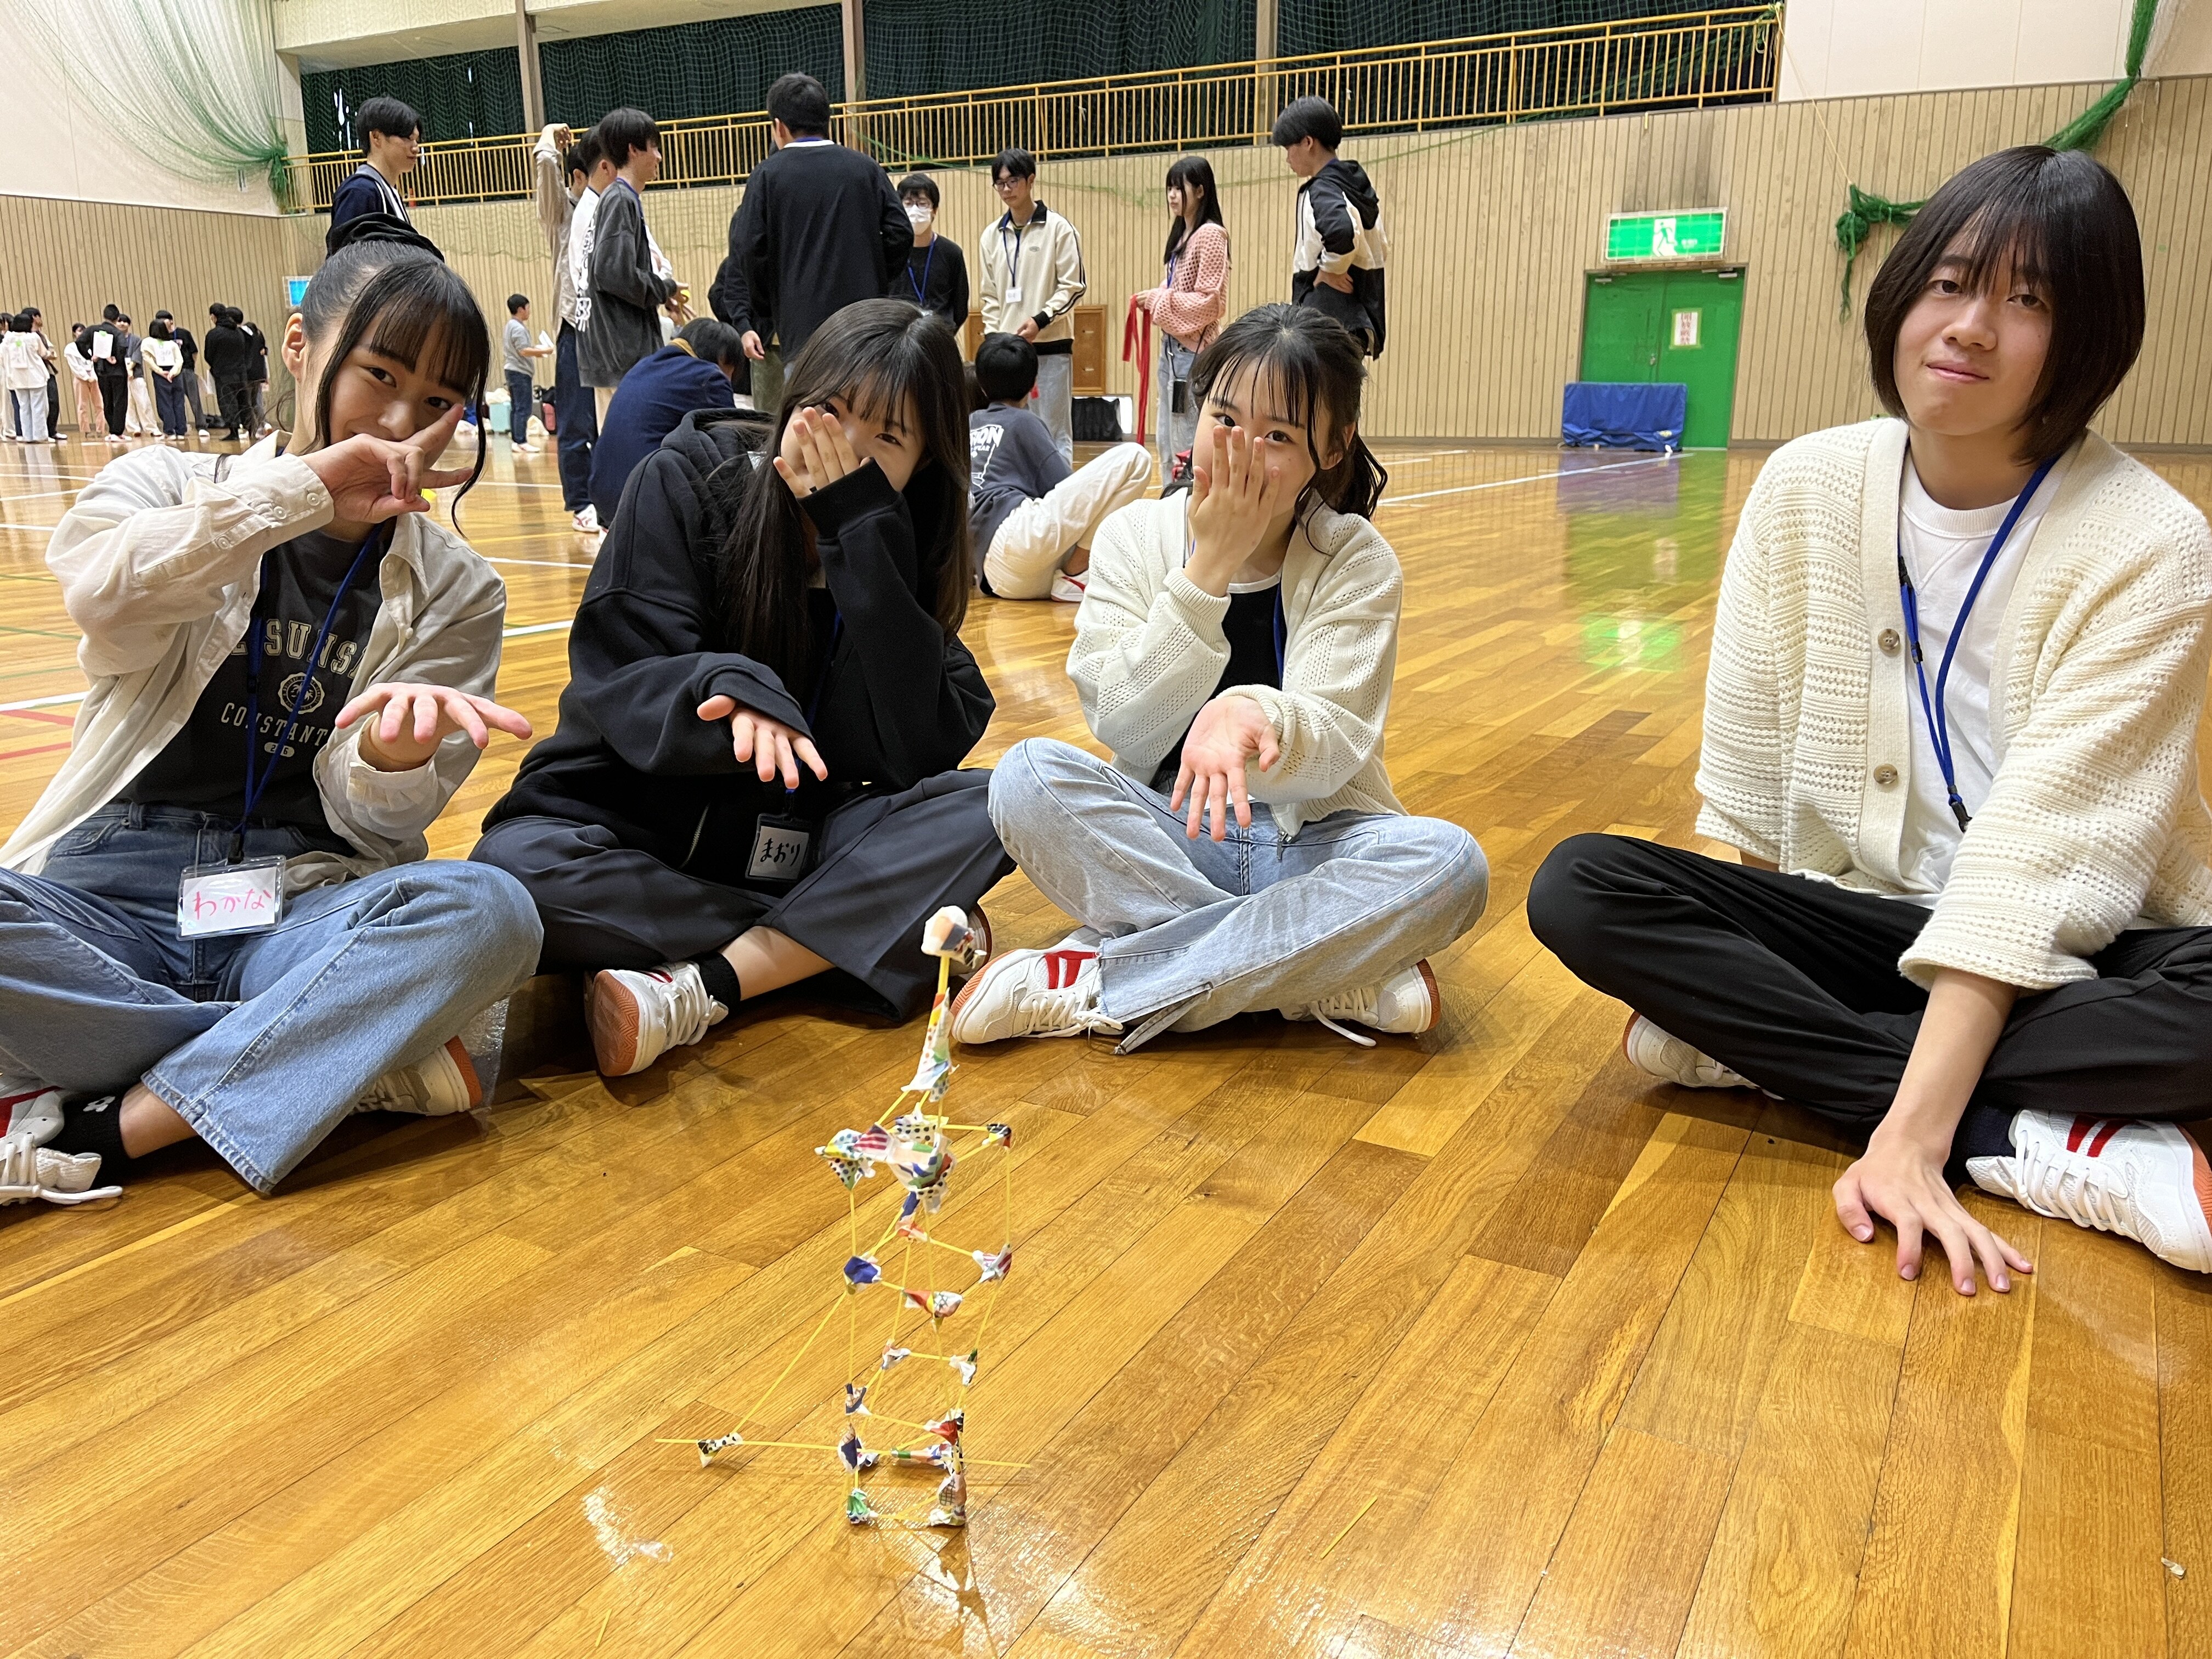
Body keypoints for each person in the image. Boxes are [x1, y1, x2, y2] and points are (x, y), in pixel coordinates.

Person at [1527, 146, 2212, 1291]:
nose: (1973, 327)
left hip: (2078, 954)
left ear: (2089, 338)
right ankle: (2034, 1137)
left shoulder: (2153, 544)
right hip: (1861, 919)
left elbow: (2041, 869)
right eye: (1948, 283)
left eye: (2028, 300)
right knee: (1579, 885)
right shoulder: (1806, 484)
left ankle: (1799, 1064)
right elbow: (1749, 772)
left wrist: (1891, 1124)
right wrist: (1765, 941)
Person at [0, 221, 543, 1209]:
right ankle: (335, 1052)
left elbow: (375, 827)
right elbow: (100, 598)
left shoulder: (460, 590)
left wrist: (386, 757)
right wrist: (295, 493)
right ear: (300, 348)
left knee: (492, 914)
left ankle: (115, 1120)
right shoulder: (167, 482)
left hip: (296, 905)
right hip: (107, 895)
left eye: (438, 402)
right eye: (377, 375)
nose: (403, 423)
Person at [473, 297, 1010, 1078]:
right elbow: (618, 675)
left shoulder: (897, 551)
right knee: (513, 874)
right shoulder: (691, 480)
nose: (843, 448)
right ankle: (848, 935)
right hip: (638, 839)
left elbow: (918, 753)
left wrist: (859, 548)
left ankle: (712, 983)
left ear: (923, 465)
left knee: (992, 804)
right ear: (795, 394)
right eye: (831, 410)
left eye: (886, 437)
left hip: (799, 851)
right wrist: (725, 683)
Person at [955, 304, 1486, 1051]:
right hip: (1173, 834)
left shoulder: (1355, 560)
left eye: (1278, 436)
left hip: (1314, 843)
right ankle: (1317, 967)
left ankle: (1106, 979)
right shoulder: (1135, 538)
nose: (1239, 451)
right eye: (1225, 418)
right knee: (1024, 778)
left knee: (1452, 865)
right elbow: (1126, 727)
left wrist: (1249, 715)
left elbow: (1333, 745)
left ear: (1333, 448)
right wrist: (1208, 572)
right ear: (1196, 412)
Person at [727, 72, 911, 416]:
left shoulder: (767, 175)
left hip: (803, 336)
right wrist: (874, 279)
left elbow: (750, 248)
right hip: (865, 330)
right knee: (865, 429)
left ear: (778, 126)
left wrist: (774, 302)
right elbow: (901, 232)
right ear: (828, 121)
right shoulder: (865, 168)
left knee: (812, 434)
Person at [969, 332, 1152, 602]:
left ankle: (1072, 580)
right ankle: (1076, 571)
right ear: (1033, 382)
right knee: (1137, 458)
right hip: (1019, 537)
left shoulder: (968, 423)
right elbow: (1063, 488)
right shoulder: (1024, 422)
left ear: (983, 386)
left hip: (996, 580)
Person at [975, 149, 1086, 464]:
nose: (1007, 189)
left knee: (1053, 432)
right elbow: (990, 297)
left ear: (1031, 180)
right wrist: (995, 339)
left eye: (1013, 181)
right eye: (1000, 183)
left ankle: (1060, 503)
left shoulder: (1059, 229)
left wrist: (1041, 320)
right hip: (1008, 354)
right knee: (1009, 431)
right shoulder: (990, 236)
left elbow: (1074, 286)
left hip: (1050, 347)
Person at [582, 108, 688, 428]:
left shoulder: (622, 198)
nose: (659, 156)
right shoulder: (620, 199)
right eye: (653, 146)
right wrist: (663, 287)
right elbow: (612, 273)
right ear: (633, 149)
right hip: (621, 355)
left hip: (620, 353)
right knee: (628, 453)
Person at [586, 317, 743, 528]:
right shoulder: (708, 376)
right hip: (647, 506)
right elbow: (732, 446)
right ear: (723, 358)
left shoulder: (641, 368)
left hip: (605, 501)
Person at [1133, 156, 1231, 479]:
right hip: (1172, 351)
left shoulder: (1211, 234)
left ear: (1200, 191)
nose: (1172, 195)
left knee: (1185, 440)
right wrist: (1154, 295)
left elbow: (1210, 303)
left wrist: (1158, 300)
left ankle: (1188, 509)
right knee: (1165, 437)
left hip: (1193, 353)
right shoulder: (1183, 235)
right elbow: (1176, 285)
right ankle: (1170, 506)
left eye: (1180, 188)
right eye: (1170, 188)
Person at [1272, 98, 1387, 360]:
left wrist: (1327, 271)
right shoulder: (1355, 183)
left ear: (1308, 142)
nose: (1287, 158)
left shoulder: (1323, 189)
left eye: (1289, 148)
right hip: (1356, 320)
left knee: (1315, 401)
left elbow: (1342, 233)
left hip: (1327, 317)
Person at [534, 122, 602, 531]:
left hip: (608, 334)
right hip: (575, 330)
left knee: (607, 420)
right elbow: (546, 168)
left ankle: (607, 495)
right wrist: (548, 139)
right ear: (578, 177)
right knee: (576, 421)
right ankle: (580, 503)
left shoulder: (610, 210)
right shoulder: (563, 214)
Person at [327, 95, 421, 246]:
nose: (415, 147)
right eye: (407, 138)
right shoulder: (360, 192)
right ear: (376, 137)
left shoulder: (387, 190)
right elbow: (345, 262)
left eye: (417, 140)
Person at [890, 172, 968, 335]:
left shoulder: (952, 253)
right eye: (909, 203)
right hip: (898, 342)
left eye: (922, 203)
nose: (915, 210)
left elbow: (960, 308)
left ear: (935, 210)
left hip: (939, 339)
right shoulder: (890, 252)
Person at [502, 294, 553, 454]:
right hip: (519, 372)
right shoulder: (517, 327)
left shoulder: (511, 326)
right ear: (520, 309)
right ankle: (521, 441)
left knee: (517, 408)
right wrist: (545, 350)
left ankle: (517, 441)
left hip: (514, 370)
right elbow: (523, 350)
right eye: (528, 308)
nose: (529, 312)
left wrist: (537, 352)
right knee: (523, 408)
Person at [1, 313, 52, 443]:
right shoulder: (33, 338)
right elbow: (44, 353)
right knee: (38, 407)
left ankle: (27, 436)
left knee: (24, 408)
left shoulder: (7, 339)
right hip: (36, 377)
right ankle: (40, 435)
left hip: (17, 379)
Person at [204, 306, 251, 442]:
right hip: (241, 373)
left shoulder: (213, 334)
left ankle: (234, 432)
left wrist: (217, 366)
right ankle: (250, 430)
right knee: (244, 402)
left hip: (224, 374)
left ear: (214, 316)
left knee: (228, 403)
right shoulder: (238, 333)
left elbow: (209, 356)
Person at [87, 307, 130, 444]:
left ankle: (113, 431)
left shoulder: (94, 330)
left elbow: (81, 343)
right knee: (120, 401)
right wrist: (115, 357)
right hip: (117, 372)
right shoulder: (117, 332)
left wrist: (90, 356)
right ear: (117, 318)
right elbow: (123, 346)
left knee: (107, 400)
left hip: (102, 371)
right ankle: (117, 432)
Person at [156, 309, 205, 433]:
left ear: (171, 321)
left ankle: (202, 426)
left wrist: (191, 367)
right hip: (170, 372)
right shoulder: (160, 337)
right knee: (175, 401)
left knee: (195, 399)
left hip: (186, 370)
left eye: (164, 320)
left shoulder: (184, 333)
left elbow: (194, 352)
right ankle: (178, 426)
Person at [143, 318, 188, 441]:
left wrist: (160, 372)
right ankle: (181, 431)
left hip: (161, 374)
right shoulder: (172, 344)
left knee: (165, 402)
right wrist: (174, 372)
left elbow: (148, 360)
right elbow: (180, 360)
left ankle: (170, 431)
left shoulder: (148, 342)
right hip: (175, 373)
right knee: (178, 402)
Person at [119, 314, 157, 437]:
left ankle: (151, 427)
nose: (122, 324)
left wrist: (130, 368)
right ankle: (133, 428)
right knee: (128, 403)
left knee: (143, 401)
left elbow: (137, 355)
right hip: (120, 374)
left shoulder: (136, 339)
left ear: (129, 325)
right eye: (119, 321)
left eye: (125, 322)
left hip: (136, 373)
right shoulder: (114, 339)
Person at [64, 324, 101, 439]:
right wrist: (86, 377)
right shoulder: (71, 348)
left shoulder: (91, 347)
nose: (82, 333)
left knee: (100, 405)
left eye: (84, 331)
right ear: (74, 333)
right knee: (82, 406)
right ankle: (85, 431)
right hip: (81, 379)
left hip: (94, 378)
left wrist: (93, 376)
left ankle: (101, 430)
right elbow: (75, 366)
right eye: (80, 331)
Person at [241, 314, 273, 437]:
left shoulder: (246, 341)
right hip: (259, 375)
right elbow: (264, 358)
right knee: (257, 402)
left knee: (249, 403)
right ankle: (265, 424)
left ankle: (253, 428)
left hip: (248, 376)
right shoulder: (259, 340)